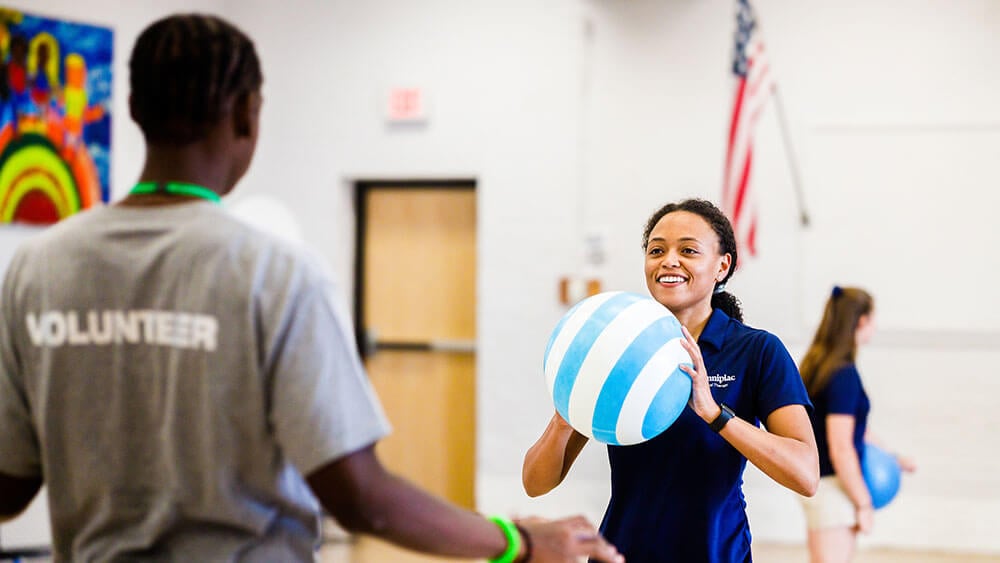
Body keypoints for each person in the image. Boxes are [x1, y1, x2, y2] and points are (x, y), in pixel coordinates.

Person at [0, 13, 623, 563]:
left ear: (133, 109)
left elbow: (10, 484)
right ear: (248, 114)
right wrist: (517, 541)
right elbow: (359, 499)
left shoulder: (37, 268)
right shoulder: (273, 271)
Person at [523, 198, 820, 562]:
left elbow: (806, 475)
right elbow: (535, 484)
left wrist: (715, 414)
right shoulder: (619, 345)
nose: (669, 260)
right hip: (620, 553)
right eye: (656, 250)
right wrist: (562, 419)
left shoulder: (757, 351)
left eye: (689, 250)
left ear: (722, 266)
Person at [798, 286, 916, 563]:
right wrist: (863, 504)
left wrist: (894, 457)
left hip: (820, 484)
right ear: (861, 321)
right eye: (873, 319)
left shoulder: (818, 365)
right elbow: (841, 447)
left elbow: (855, 431)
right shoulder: (843, 375)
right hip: (833, 489)